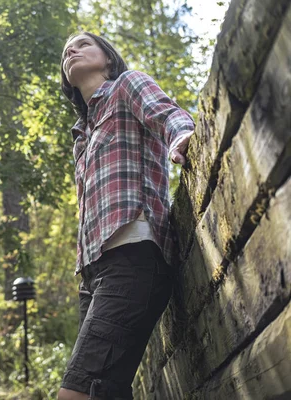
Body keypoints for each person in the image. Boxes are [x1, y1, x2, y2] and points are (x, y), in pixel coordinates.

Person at [57, 32, 195, 400]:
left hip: (134, 256)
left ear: (108, 58)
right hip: (92, 274)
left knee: (76, 394)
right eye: (66, 51)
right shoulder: (81, 140)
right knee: (106, 392)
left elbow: (171, 115)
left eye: (83, 44)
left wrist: (181, 138)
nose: (71, 50)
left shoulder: (126, 85)